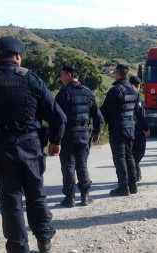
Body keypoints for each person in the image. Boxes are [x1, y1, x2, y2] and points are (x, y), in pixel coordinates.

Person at [0, 36, 67, 253]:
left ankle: (18, 248)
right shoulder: (32, 79)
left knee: (11, 202)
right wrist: (55, 142)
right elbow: (59, 117)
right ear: (18, 56)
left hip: (2, 150)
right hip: (31, 148)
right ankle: (44, 239)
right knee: (36, 195)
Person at [56, 64, 104, 207]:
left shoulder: (63, 93)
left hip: (67, 136)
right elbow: (97, 115)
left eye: (62, 75)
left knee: (68, 167)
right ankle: (85, 196)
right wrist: (96, 132)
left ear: (69, 75)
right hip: (83, 135)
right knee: (82, 165)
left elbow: (57, 117)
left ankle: (69, 198)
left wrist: (54, 137)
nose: (61, 78)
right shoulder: (88, 92)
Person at [101, 64, 139, 196]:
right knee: (129, 156)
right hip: (130, 127)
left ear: (118, 73)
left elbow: (104, 111)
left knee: (120, 157)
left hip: (118, 128)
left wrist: (98, 127)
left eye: (115, 72)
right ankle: (133, 185)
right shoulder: (134, 90)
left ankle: (123, 186)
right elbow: (136, 111)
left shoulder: (116, 90)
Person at [129, 75, 150, 182]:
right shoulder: (136, 96)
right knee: (138, 152)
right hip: (136, 129)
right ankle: (134, 174)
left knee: (133, 153)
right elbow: (140, 114)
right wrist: (146, 128)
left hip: (127, 128)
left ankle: (136, 173)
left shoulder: (124, 94)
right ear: (137, 86)